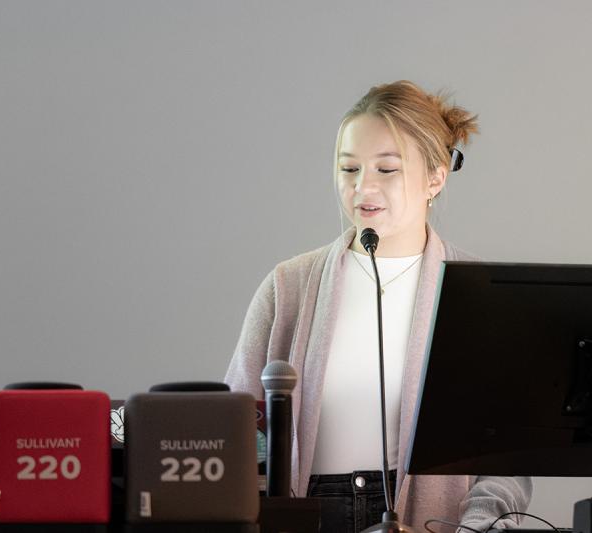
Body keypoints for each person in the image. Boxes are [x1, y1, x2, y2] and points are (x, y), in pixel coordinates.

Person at [225, 80, 532, 533]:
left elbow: (508, 459)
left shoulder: (482, 295)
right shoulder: (288, 286)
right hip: (304, 519)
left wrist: (475, 530)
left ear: (435, 177)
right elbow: (232, 438)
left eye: (386, 170)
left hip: (433, 523)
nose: (362, 187)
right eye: (349, 169)